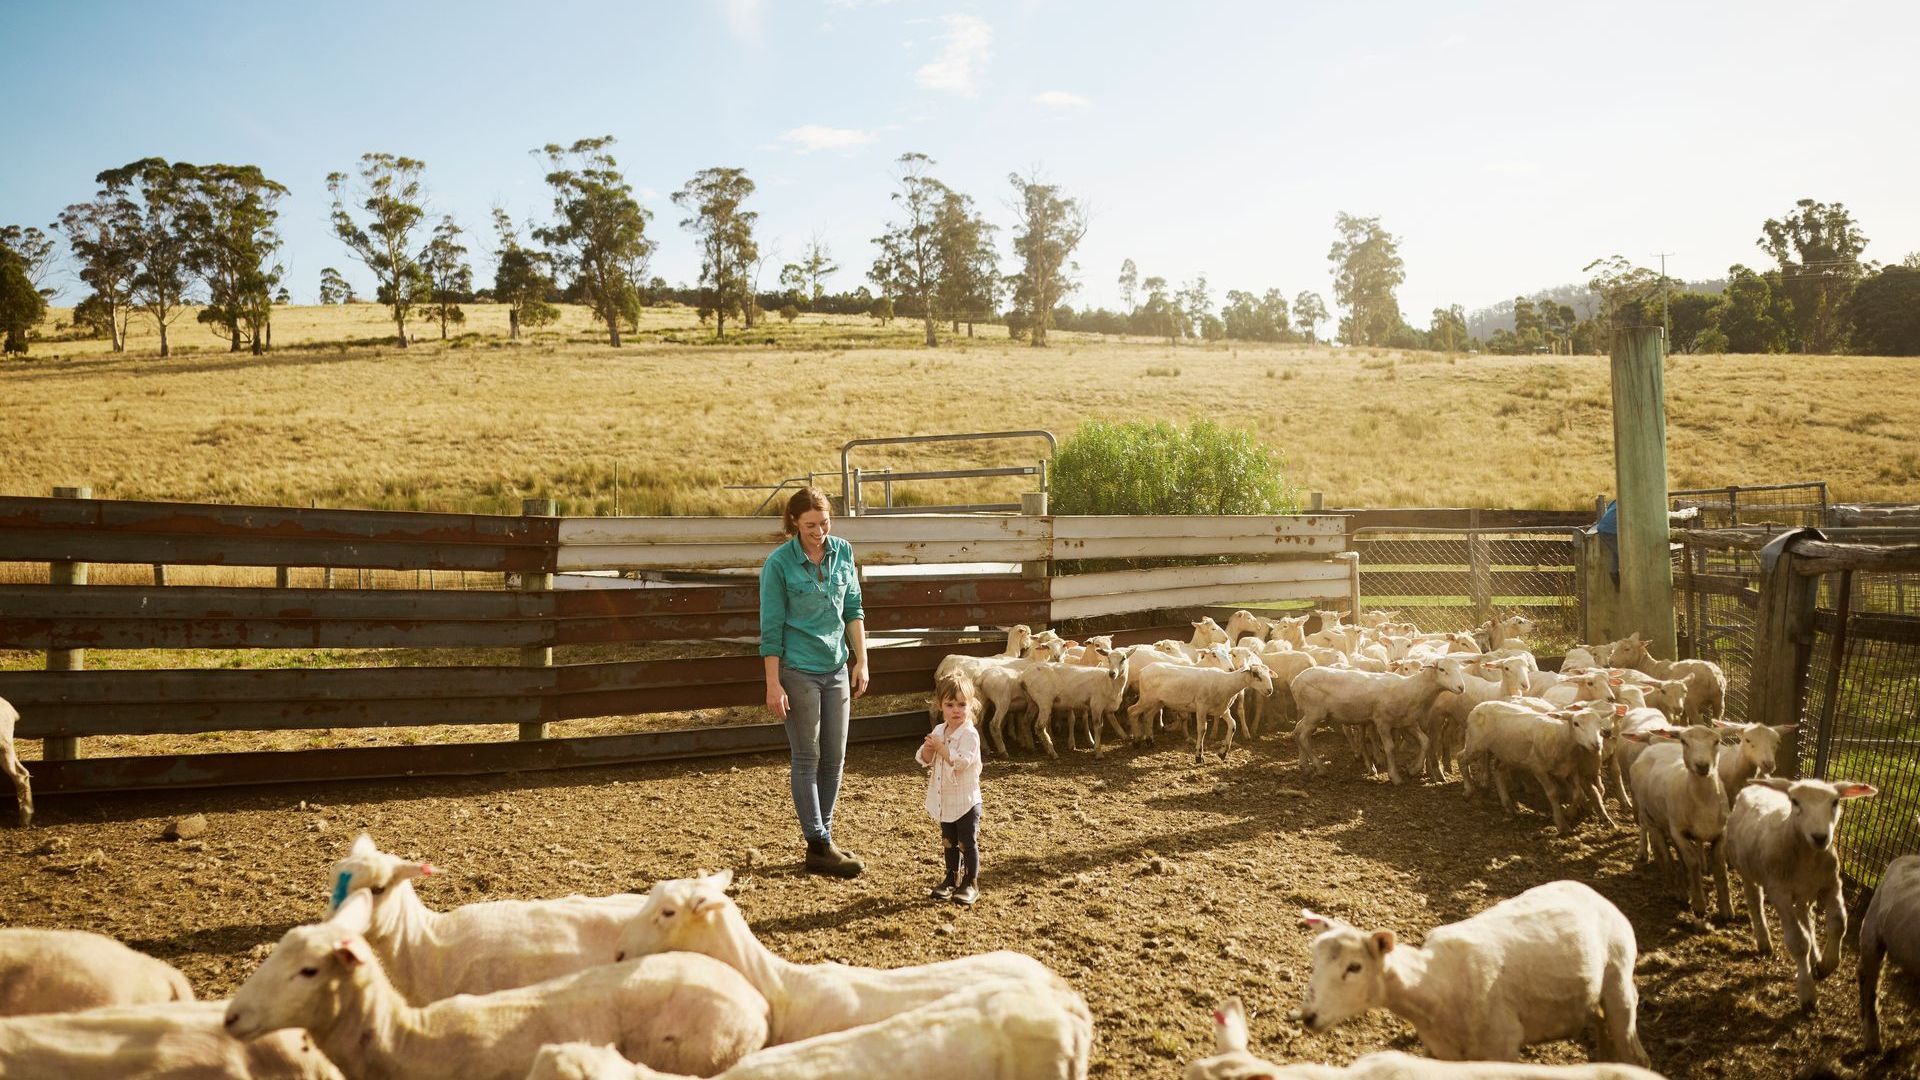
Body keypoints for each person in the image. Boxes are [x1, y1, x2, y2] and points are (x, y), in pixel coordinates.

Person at [759, 487, 869, 878]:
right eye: (810, 526)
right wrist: (773, 684)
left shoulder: (843, 552)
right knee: (808, 756)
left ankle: (825, 838)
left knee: (835, 757)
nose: (819, 531)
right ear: (793, 524)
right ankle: (818, 843)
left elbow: (853, 609)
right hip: (798, 669)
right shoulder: (778, 565)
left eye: (824, 523)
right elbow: (770, 629)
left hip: (836, 666)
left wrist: (861, 660)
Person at [916, 671, 984, 905]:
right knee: (949, 840)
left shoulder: (970, 735)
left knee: (967, 842)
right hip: (945, 799)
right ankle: (951, 877)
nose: (956, 710)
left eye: (962, 704)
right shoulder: (939, 731)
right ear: (940, 706)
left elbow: (962, 762)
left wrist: (942, 749)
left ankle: (971, 881)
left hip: (965, 801)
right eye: (950, 704)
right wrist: (929, 749)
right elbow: (924, 759)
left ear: (971, 705)